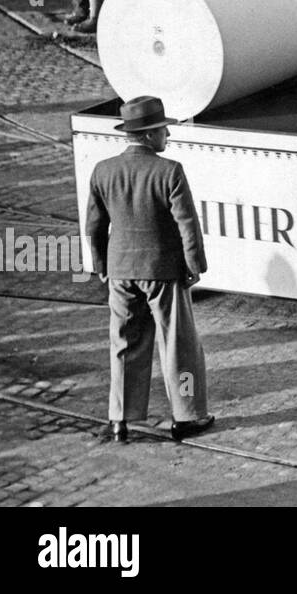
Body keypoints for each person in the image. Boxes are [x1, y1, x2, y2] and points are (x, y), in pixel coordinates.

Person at [85, 96, 212, 444]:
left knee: (124, 343)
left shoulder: (102, 171)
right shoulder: (169, 171)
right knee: (178, 345)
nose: (168, 134)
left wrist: (100, 266)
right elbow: (187, 224)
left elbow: (93, 227)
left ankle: (119, 419)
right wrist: (194, 265)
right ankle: (185, 416)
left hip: (120, 270)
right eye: (164, 129)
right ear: (149, 134)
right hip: (163, 271)